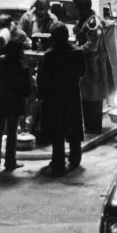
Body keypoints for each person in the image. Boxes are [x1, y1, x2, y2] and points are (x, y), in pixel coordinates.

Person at [37, 23, 85, 174]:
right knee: (74, 127)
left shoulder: (50, 55)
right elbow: (82, 71)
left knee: (57, 130)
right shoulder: (77, 52)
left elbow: (42, 78)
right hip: (72, 95)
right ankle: (75, 159)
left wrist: (41, 95)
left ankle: (58, 161)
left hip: (55, 97)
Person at [0, 26, 31, 171]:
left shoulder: (0, 64)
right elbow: (27, 91)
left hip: (1, 102)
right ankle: (10, 162)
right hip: (15, 104)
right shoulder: (23, 69)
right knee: (12, 132)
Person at [73, 0, 114, 135]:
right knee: (86, 97)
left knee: (94, 97)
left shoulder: (93, 23)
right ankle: (89, 125)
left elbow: (92, 46)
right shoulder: (84, 19)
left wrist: (75, 51)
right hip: (85, 65)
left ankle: (94, 128)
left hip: (93, 65)